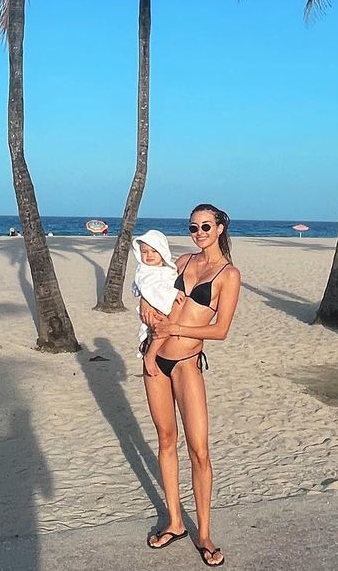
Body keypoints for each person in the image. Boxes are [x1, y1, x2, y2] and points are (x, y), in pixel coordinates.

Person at [140, 204, 241, 567]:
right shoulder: (181, 262)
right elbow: (150, 285)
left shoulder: (229, 275)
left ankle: (205, 534)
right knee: (166, 440)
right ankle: (175, 522)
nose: (199, 233)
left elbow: (221, 330)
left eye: (205, 227)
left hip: (186, 363)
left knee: (199, 451)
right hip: (155, 359)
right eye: (193, 227)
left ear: (219, 228)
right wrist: (145, 307)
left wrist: (175, 328)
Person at [129, 230, 181, 371]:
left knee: (163, 330)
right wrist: (173, 294)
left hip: (163, 309)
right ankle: (150, 355)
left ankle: (153, 351)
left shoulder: (168, 270)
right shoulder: (144, 271)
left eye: (154, 251)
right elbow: (150, 289)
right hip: (152, 311)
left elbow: (171, 283)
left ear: (162, 251)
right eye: (144, 252)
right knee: (161, 330)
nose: (149, 255)